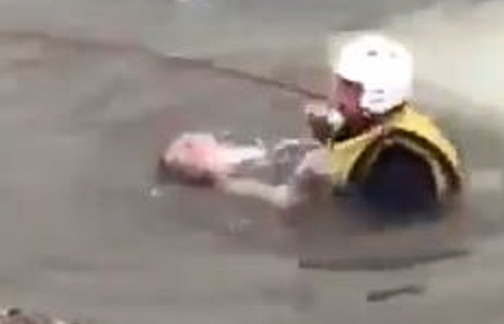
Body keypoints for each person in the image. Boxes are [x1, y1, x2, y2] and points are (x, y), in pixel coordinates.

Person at [160, 33, 465, 221]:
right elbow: (357, 150)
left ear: (375, 95)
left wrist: (309, 187)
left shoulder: (400, 168)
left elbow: (367, 223)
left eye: (346, 87)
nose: (334, 92)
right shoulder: (380, 121)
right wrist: (328, 136)